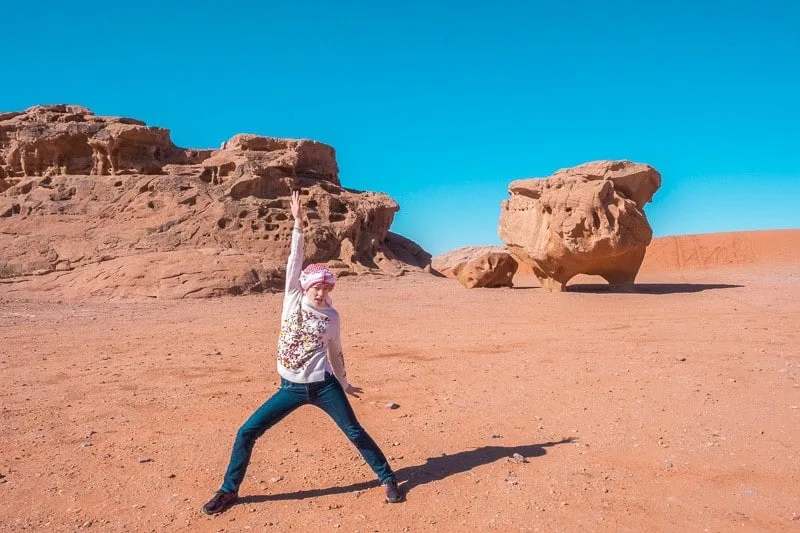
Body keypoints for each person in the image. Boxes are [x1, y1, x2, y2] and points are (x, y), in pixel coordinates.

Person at [202, 190, 402, 515]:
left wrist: (345, 382)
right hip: (290, 389)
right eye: (316, 288)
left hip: (323, 386)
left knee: (354, 431)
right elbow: (295, 259)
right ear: (305, 287)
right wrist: (297, 224)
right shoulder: (292, 299)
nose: (322, 293)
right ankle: (228, 491)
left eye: (327, 288)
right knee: (247, 431)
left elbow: (336, 352)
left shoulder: (332, 316)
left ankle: (388, 478)